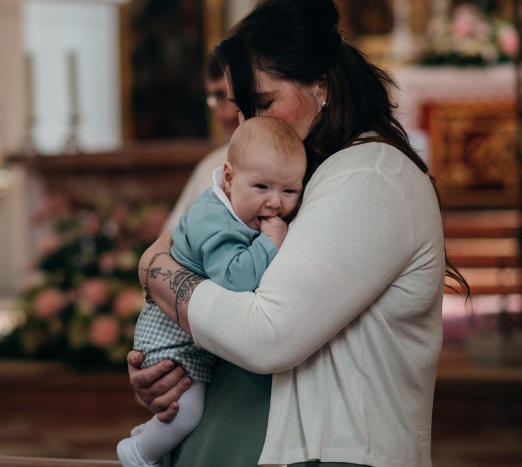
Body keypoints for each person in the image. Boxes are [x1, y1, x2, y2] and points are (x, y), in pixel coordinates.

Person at [127, 1, 470, 466]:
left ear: (322, 85)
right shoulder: (291, 177)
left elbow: (266, 334)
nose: (254, 126)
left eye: (265, 103)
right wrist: (176, 368)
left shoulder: (371, 173)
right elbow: (203, 264)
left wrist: (154, 269)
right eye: (246, 110)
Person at [118, 116, 306, 467]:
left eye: (289, 191)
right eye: (262, 187)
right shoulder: (214, 218)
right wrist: (270, 242)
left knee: (188, 409)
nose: (276, 203)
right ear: (231, 178)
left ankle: (149, 439)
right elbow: (235, 279)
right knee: (187, 412)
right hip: (169, 329)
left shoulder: (244, 211)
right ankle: (138, 454)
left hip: (194, 327)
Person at [162, 53, 241, 232]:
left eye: (233, 97)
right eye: (217, 98)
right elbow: (168, 238)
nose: (227, 113)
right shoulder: (208, 166)